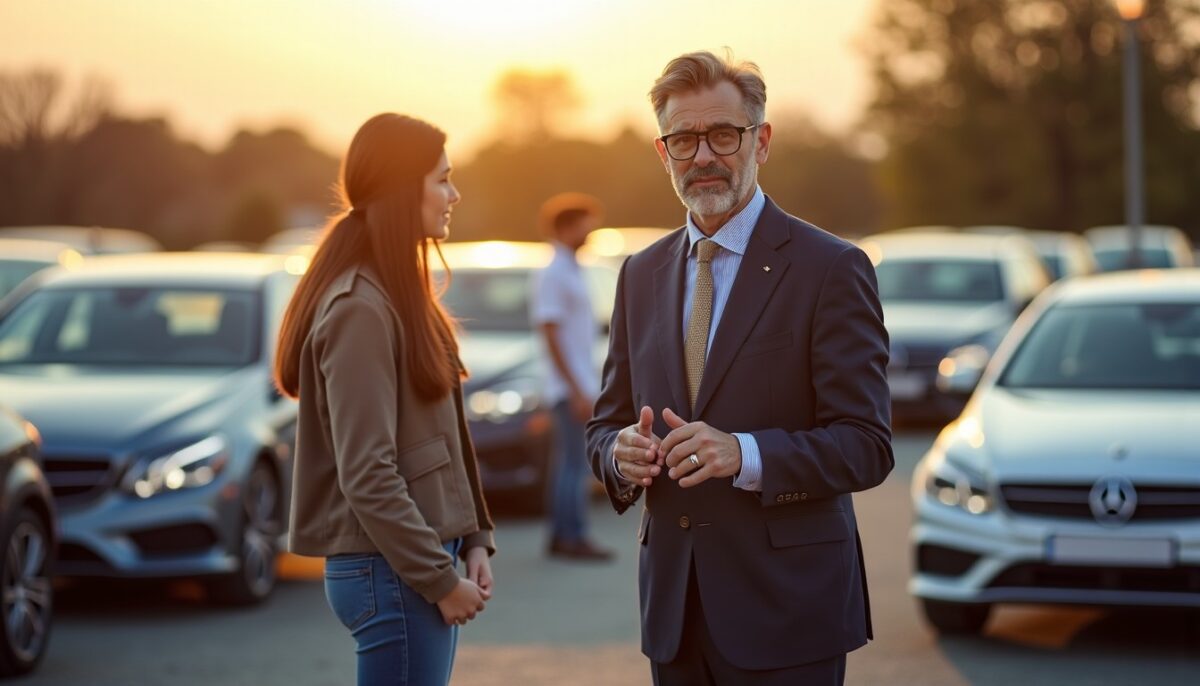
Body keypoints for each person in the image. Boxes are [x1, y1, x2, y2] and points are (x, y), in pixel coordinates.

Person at [586, 51, 894, 685]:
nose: (703, 156)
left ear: (762, 140)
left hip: (787, 610)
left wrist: (744, 453)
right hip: (674, 614)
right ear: (662, 151)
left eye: (723, 135)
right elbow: (604, 425)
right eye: (683, 140)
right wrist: (618, 456)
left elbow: (867, 445)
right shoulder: (638, 273)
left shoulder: (830, 268)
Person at [275, 113, 495, 686]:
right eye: (441, 179)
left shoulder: (401, 295)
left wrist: (473, 537)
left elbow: (444, 434)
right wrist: (439, 579)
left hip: (411, 558)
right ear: (404, 190)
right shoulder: (359, 310)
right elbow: (367, 473)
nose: (454, 194)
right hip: (389, 568)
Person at [530, 193, 614, 561]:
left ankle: (562, 534)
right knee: (574, 464)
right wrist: (577, 388)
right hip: (570, 386)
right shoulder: (554, 271)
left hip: (578, 382)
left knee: (567, 462)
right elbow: (550, 331)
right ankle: (572, 536)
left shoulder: (572, 268)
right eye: (584, 223)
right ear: (567, 227)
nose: (590, 230)